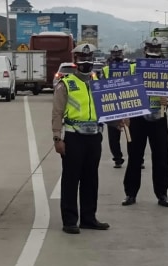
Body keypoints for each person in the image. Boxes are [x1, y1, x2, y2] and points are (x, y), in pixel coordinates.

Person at [51, 43, 112, 234]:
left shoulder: (98, 82)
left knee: (90, 179)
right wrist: (57, 138)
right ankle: (70, 220)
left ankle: (88, 218)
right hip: (73, 136)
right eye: (82, 59)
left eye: (89, 58)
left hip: (94, 137)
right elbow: (57, 112)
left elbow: (107, 107)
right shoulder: (66, 83)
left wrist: (119, 121)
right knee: (71, 179)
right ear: (75, 60)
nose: (86, 62)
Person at [122, 37, 168, 208]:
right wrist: (125, 115)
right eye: (151, 52)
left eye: (156, 52)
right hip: (137, 117)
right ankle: (130, 193)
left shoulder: (167, 69)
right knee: (134, 157)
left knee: (161, 157)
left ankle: (162, 194)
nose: (153, 56)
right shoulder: (134, 68)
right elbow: (125, 91)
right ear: (145, 51)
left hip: (159, 116)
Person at [101, 44, 133, 168]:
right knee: (113, 138)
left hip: (129, 103)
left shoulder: (129, 67)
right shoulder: (106, 69)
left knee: (132, 135)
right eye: (114, 53)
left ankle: (137, 158)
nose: (116, 56)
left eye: (118, 53)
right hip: (112, 104)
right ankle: (118, 158)